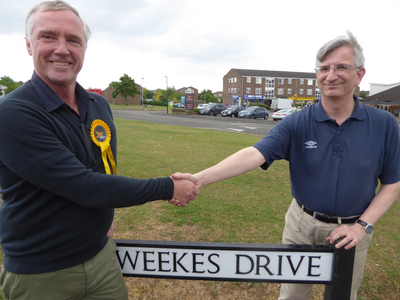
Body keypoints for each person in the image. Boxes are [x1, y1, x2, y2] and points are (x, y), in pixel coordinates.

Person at [172, 32, 400, 300]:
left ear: (359, 75)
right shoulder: (297, 122)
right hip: (301, 227)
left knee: (342, 296)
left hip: (351, 232)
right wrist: (199, 178)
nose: (331, 75)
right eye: (324, 68)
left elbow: (392, 184)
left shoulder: (384, 125)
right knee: (292, 296)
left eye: (341, 67)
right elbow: (255, 154)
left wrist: (362, 227)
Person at [0, 1, 198, 299]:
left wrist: (102, 219)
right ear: (29, 45)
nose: (62, 49)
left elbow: (103, 170)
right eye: (49, 36)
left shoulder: (98, 105)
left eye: (73, 40)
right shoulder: (13, 113)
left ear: (84, 50)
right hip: (42, 272)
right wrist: (167, 187)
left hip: (101, 257)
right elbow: (85, 186)